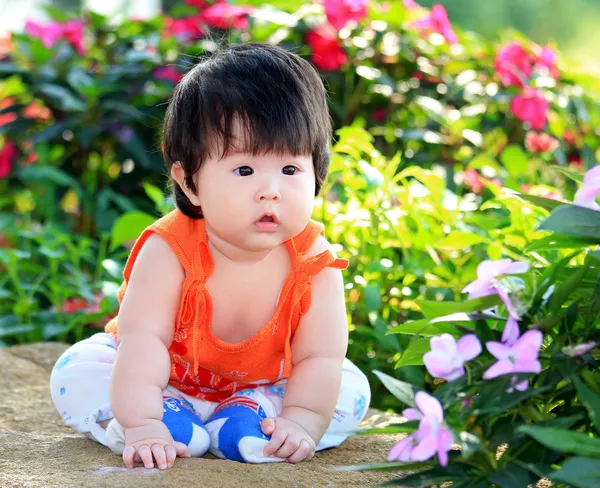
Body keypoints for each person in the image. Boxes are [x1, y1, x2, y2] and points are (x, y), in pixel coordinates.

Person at [50, 42, 371, 470]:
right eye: (244, 170)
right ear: (190, 182)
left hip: (264, 386)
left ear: (316, 171)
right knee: (76, 370)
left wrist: (301, 421)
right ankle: (168, 422)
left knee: (349, 388)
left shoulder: (315, 263)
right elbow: (144, 342)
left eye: (290, 170)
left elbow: (319, 357)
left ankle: (249, 419)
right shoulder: (170, 252)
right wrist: (143, 422)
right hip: (164, 381)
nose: (270, 190)